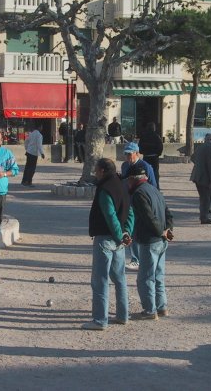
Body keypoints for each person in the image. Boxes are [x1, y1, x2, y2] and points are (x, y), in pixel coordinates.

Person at [83, 158, 134, 331]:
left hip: (106, 239)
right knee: (120, 278)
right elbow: (130, 212)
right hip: (119, 240)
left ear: (103, 171)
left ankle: (99, 320)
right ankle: (123, 315)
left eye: (96, 170)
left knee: (100, 280)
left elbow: (110, 215)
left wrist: (120, 235)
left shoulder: (105, 189)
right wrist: (127, 233)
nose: (95, 173)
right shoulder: (122, 185)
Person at [127, 165, 173, 320]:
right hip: (162, 239)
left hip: (150, 240)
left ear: (132, 179)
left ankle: (149, 311)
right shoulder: (155, 190)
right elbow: (168, 213)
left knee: (145, 277)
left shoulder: (139, 194)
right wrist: (167, 230)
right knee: (158, 275)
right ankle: (162, 307)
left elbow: (148, 217)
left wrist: (160, 231)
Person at [120, 142, 157, 271]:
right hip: (128, 202)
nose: (127, 157)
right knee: (131, 229)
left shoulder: (146, 166)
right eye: (126, 154)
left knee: (141, 231)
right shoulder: (124, 166)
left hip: (142, 202)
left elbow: (153, 186)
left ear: (137, 153)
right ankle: (135, 259)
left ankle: (142, 259)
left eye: (129, 154)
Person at [190, 134, 211, 224]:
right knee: (205, 197)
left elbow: (193, 157)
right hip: (204, 176)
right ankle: (204, 217)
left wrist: (199, 163)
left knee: (210, 193)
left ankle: (205, 210)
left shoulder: (202, 146)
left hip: (199, 175)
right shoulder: (210, 148)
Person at [138, 122, 163, 189]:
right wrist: (158, 153)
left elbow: (140, 146)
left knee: (145, 172)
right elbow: (160, 146)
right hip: (154, 157)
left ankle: (146, 187)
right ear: (154, 128)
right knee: (155, 173)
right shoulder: (156, 136)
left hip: (146, 156)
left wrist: (142, 152)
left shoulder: (143, 136)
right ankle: (156, 187)